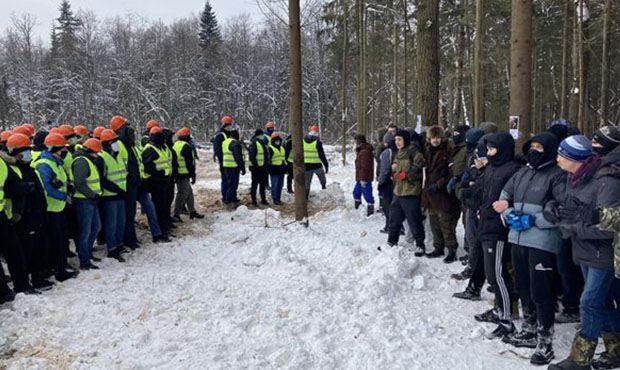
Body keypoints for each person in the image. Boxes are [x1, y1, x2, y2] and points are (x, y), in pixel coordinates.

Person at [548, 135, 620, 370]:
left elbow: (609, 228)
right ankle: (616, 351)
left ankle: (580, 360)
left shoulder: (606, 182)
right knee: (605, 302)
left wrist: (573, 228)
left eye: (562, 155)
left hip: (604, 253)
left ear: (576, 158)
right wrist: (555, 209)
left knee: (589, 302)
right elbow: (572, 207)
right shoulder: (574, 177)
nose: (557, 158)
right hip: (585, 251)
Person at [493, 133, 566, 365]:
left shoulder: (557, 176)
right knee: (522, 286)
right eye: (532, 146)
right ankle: (529, 327)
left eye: (540, 147)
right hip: (517, 237)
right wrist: (508, 214)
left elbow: (561, 211)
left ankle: (545, 340)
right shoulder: (523, 172)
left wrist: (533, 220)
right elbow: (505, 195)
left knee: (541, 291)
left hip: (542, 242)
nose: (535, 150)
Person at [475, 132, 521, 339]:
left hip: (499, 229)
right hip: (486, 224)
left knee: (497, 275)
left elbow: (515, 197)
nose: (489, 153)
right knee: (492, 273)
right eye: (488, 149)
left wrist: (505, 208)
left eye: (492, 149)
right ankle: (498, 310)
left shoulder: (513, 170)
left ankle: (506, 319)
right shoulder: (492, 168)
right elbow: (484, 192)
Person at [6, 133, 54, 289]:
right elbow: (9, 189)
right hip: (25, 216)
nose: (28, 153)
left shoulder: (28, 168)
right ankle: (25, 282)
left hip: (36, 213)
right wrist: (24, 188)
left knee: (37, 249)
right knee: (27, 250)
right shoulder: (13, 169)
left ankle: (37, 277)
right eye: (25, 150)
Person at [34, 133, 78, 282]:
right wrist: (63, 196)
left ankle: (61, 266)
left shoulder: (55, 162)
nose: (63, 151)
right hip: (51, 209)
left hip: (59, 208)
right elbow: (47, 188)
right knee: (56, 241)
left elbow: (58, 182)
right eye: (61, 149)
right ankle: (59, 271)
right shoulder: (45, 164)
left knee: (61, 239)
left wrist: (67, 186)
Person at [453, 137, 488, 300]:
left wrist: (473, 185)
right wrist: (464, 188)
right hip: (471, 207)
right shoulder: (473, 164)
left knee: (480, 244)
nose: (477, 161)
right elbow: (465, 180)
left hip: (485, 213)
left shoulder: (492, 171)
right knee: (472, 239)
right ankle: (472, 270)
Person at [1, 134, 37, 294]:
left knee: (14, 251)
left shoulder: (4, 163)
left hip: (2, 213)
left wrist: (22, 187)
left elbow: (9, 185)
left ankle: (21, 286)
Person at [380, 129, 426, 255]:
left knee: (414, 220)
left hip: (410, 192)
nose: (397, 142)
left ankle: (420, 245)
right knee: (393, 219)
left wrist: (405, 175)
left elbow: (419, 168)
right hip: (398, 191)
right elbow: (396, 169)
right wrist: (394, 173)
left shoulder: (414, 152)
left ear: (405, 140)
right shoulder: (398, 152)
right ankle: (391, 241)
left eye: (399, 139)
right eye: (395, 140)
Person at [422, 126, 460, 263]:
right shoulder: (427, 151)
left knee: (446, 223)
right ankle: (438, 247)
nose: (435, 140)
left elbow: (451, 173)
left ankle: (451, 249)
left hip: (443, 193)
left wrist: (439, 184)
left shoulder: (448, 151)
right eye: (433, 138)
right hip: (430, 193)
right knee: (434, 223)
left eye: (437, 137)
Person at [111, 115, 143, 250]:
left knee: (130, 213)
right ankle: (127, 239)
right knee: (126, 215)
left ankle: (131, 238)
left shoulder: (129, 144)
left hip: (132, 183)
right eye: (126, 127)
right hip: (125, 184)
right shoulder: (117, 144)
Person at [71, 138, 104, 269]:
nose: (97, 155)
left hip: (90, 200)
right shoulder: (81, 162)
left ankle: (87, 253)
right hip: (84, 201)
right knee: (85, 231)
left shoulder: (87, 160)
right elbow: (79, 183)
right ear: (90, 151)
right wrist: (92, 195)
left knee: (96, 227)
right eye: (96, 152)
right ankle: (84, 260)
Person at [98, 130, 128, 262]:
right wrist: (116, 189)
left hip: (120, 194)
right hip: (110, 196)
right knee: (112, 223)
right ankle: (112, 249)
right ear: (109, 143)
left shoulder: (118, 155)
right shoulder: (102, 157)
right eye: (114, 141)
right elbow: (102, 179)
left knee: (121, 221)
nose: (117, 143)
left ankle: (119, 244)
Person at [142, 127, 173, 239]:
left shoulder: (161, 147)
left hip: (163, 181)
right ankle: (160, 232)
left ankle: (164, 229)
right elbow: (147, 167)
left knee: (163, 206)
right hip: (155, 183)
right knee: (159, 207)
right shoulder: (150, 149)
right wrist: (159, 172)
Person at [172, 127, 203, 221]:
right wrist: (193, 175)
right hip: (184, 173)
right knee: (183, 193)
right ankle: (176, 214)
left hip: (178, 173)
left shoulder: (176, 145)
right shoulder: (186, 146)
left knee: (189, 193)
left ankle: (192, 211)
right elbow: (189, 163)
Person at [377, 132, 397, 233]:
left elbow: (384, 169)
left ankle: (390, 226)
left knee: (387, 206)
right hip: (396, 182)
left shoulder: (387, 152)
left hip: (388, 183)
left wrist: (380, 182)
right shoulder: (399, 150)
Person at [221, 128, 245, 206]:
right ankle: (229, 200)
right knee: (233, 184)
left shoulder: (225, 142)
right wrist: (242, 167)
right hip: (233, 166)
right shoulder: (235, 143)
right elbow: (238, 157)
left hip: (226, 165)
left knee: (228, 183)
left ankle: (231, 198)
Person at [303, 126, 329, 199]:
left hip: (306, 166)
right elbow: (322, 155)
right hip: (317, 165)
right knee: (323, 180)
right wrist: (326, 165)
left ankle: (305, 197)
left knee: (307, 183)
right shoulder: (317, 142)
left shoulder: (303, 141)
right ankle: (324, 192)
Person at [352, 134, 375, 216]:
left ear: (359, 141)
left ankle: (370, 211)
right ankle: (358, 209)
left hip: (364, 178)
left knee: (367, 194)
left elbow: (364, 167)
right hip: (360, 177)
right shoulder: (361, 150)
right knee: (356, 193)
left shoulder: (364, 151)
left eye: (355, 141)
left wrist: (362, 178)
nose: (354, 143)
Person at [213, 116, 234, 202]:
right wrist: (221, 162)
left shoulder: (229, 134)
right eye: (228, 125)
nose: (230, 126)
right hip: (224, 162)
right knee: (225, 180)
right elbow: (218, 150)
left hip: (231, 162)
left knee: (231, 181)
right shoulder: (220, 135)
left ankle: (230, 196)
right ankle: (225, 197)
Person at [249, 129, 269, 206]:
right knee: (254, 185)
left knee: (262, 185)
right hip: (256, 168)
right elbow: (252, 156)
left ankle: (263, 199)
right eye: (261, 135)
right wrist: (255, 166)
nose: (263, 136)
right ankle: (253, 200)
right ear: (258, 135)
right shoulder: (254, 143)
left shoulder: (262, 143)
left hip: (263, 168)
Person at [268, 133, 288, 205]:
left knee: (280, 186)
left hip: (281, 169)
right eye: (276, 140)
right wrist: (270, 169)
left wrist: (286, 167)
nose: (278, 141)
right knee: (275, 186)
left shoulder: (282, 148)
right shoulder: (270, 148)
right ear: (273, 140)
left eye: (278, 140)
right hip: (274, 170)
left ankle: (278, 199)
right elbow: (268, 160)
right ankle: (275, 200)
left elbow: (284, 158)